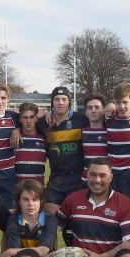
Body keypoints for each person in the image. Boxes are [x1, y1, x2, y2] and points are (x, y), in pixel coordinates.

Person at [36, 86, 90, 215]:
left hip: (78, 178)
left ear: (69, 102)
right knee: (47, 209)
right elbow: (23, 122)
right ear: (52, 103)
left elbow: (102, 117)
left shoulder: (81, 119)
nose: (60, 102)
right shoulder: (43, 123)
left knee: (78, 215)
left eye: (64, 99)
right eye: (57, 99)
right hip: (57, 179)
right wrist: (16, 130)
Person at [15, 103, 47, 184]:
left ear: (36, 118)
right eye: (25, 117)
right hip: (19, 189)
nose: (28, 121)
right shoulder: (15, 138)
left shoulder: (44, 138)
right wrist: (16, 130)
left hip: (38, 188)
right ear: (20, 119)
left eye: (31, 117)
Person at [81, 95, 108, 182]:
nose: (93, 110)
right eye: (90, 108)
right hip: (86, 180)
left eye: (97, 107)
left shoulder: (111, 131)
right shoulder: (81, 132)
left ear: (103, 110)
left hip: (105, 181)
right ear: (86, 112)